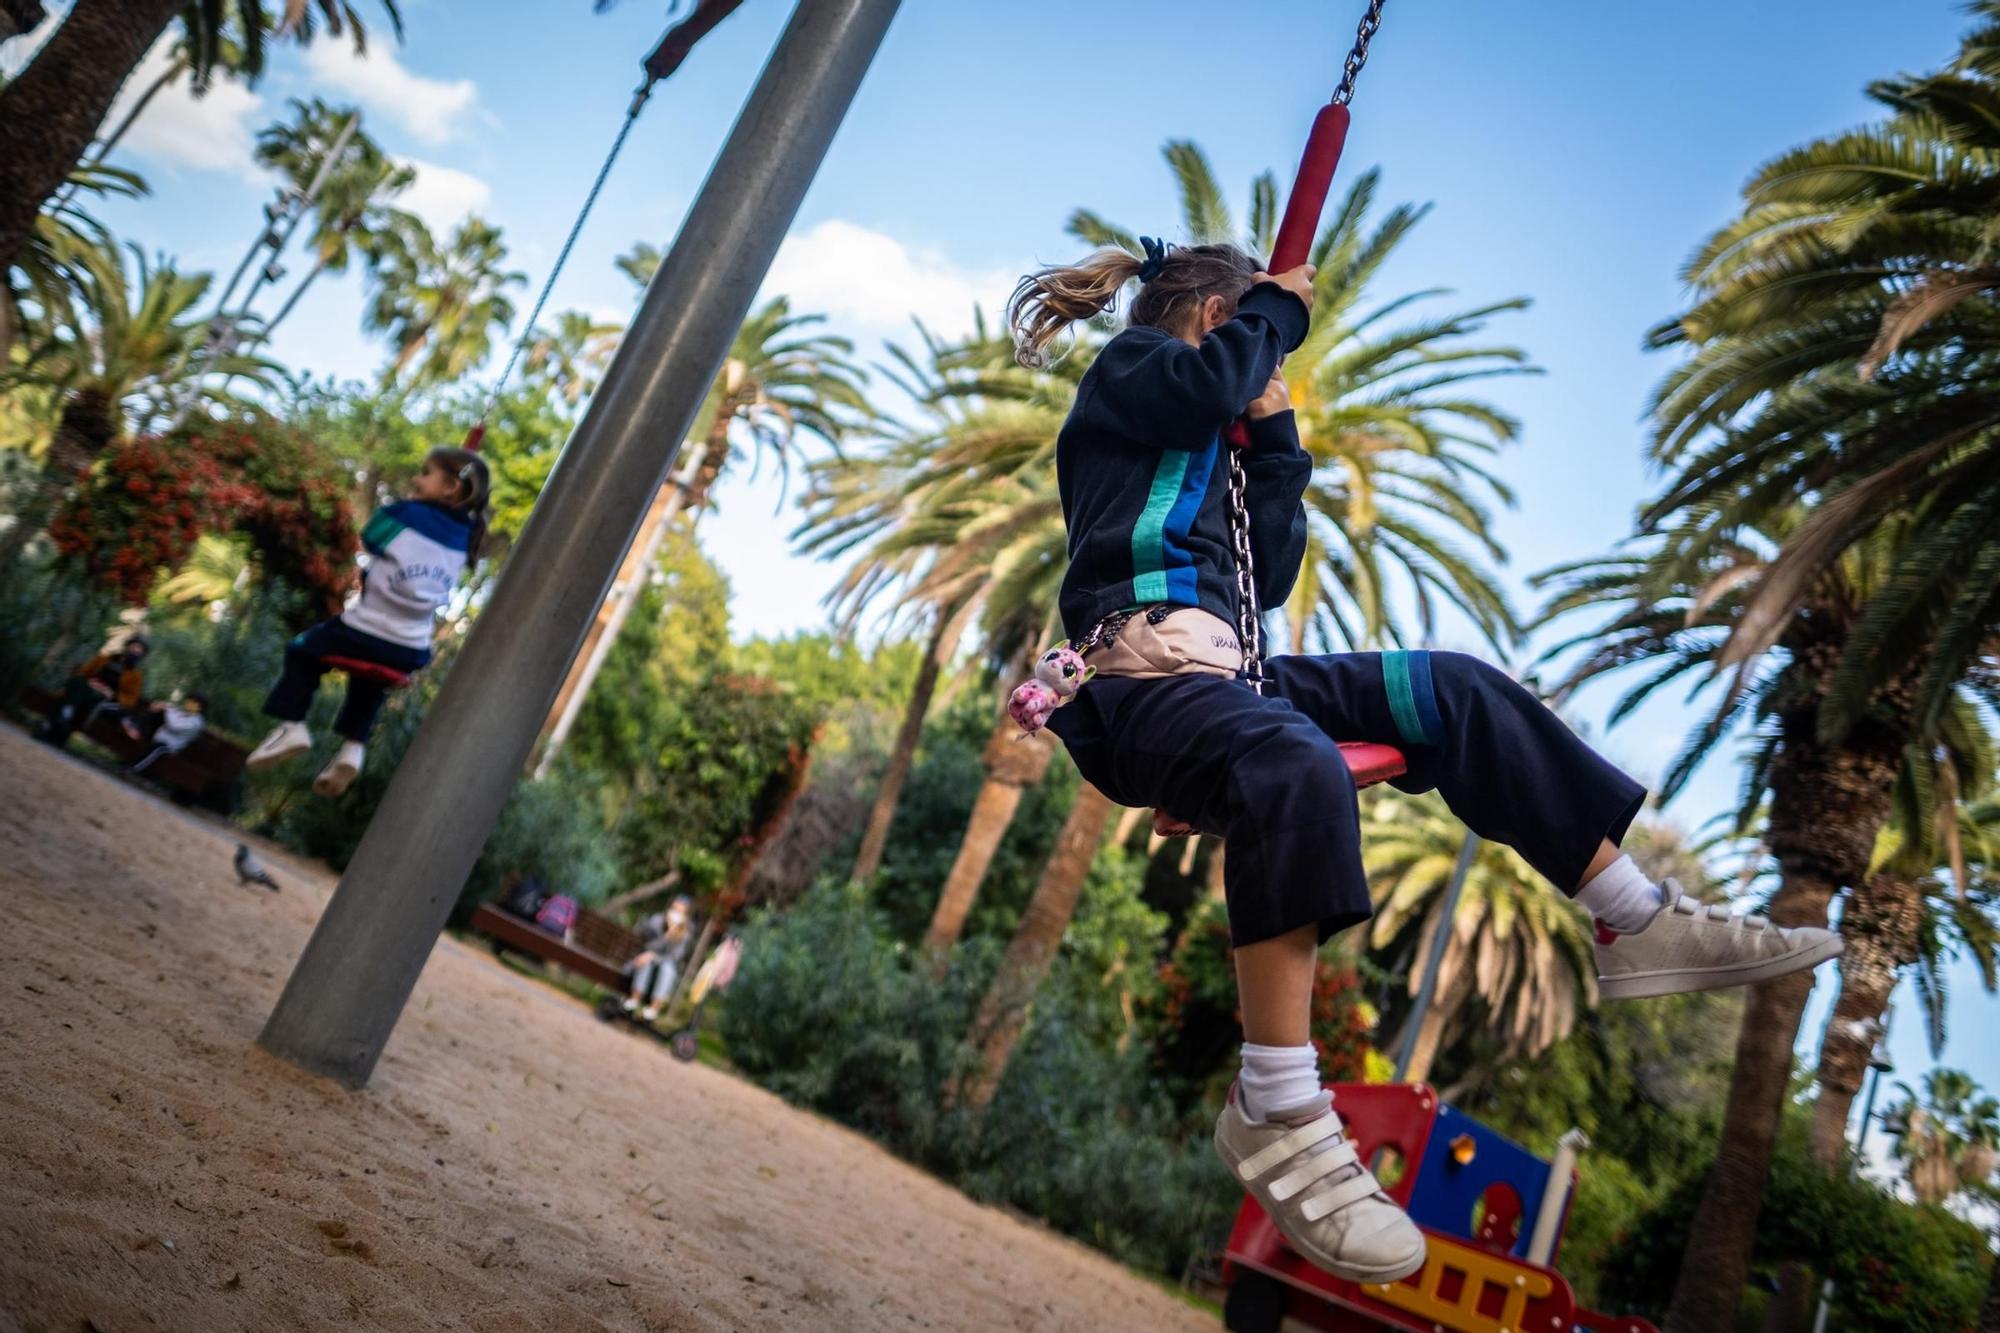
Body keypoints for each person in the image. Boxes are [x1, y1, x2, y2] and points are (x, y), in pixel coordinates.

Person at [1009, 239, 1845, 1285]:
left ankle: (1630, 913)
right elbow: (1207, 377)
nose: (1266, 369)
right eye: (1252, 341)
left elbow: (1264, 572)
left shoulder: (1207, 422)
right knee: (1293, 762)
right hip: (1138, 685)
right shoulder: (1132, 372)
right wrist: (1277, 313)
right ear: (1212, 313)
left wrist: (1274, 441)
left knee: (1453, 689)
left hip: (1229, 673)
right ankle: (1271, 1101)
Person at [246, 447, 490, 798]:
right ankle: (353, 748)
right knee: (371, 678)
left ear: (451, 486)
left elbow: (371, 536)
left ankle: (293, 724)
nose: (416, 480)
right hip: (411, 649)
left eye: (425, 473)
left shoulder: (405, 514)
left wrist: (409, 506)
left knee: (302, 651)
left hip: (363, 631)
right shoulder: (468, 535)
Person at [38, 635, 148, 747]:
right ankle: (63, 720)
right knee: (77, 683)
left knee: (80, 695)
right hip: (87, 687)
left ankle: (56, 721)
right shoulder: (105, 659)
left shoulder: (135, 676)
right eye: (134, 647)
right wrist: (90, 682)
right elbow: (83, 672)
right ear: (127, 646)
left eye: (139, 650)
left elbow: (131, 699)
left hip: (104, 697)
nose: (135, 651)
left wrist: (111, 694)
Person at [623, 895, 695, 1023]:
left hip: (665, 966)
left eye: (680, 911)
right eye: (674, 909)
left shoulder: (685, 932)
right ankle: (634, 999)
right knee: (646, 962)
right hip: (644, 961)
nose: (676, 913)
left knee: (667, 969)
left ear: (685, 915)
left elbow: (675, 957)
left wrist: (654, 955)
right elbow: (647, 946)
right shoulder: (656, 921)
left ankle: (653, 1008)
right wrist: (666, 936)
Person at [125, 692, 207, 774]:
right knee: (157, 713)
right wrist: (161, 706)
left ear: (200, 707)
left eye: (193, 702)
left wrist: (166, 709)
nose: (188, 703)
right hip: (158, 737)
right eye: (189, 700)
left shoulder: (196, 722)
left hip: (170, 746)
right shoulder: (183, 711)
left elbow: (174, 726)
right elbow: (169, 711)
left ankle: (132, 769)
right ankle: (136, 728)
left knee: (157, 749)